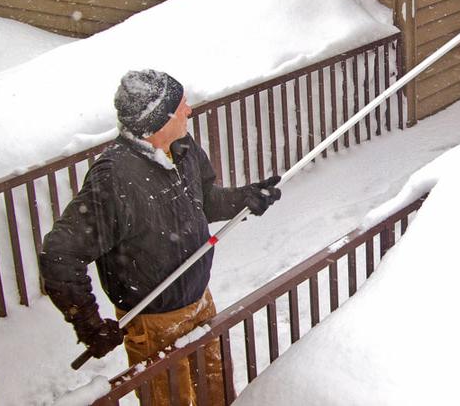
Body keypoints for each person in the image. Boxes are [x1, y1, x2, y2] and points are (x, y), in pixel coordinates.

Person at [39, 69, 281, 406]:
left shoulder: (182, 148)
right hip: (153, 323)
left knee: (219, 394)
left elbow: (204, 200)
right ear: (156, 119)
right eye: (181, 105)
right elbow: (60, 255)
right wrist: (89, 323)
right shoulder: (115, 178)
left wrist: (245, 198)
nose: (189, 111)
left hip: (199, 301)